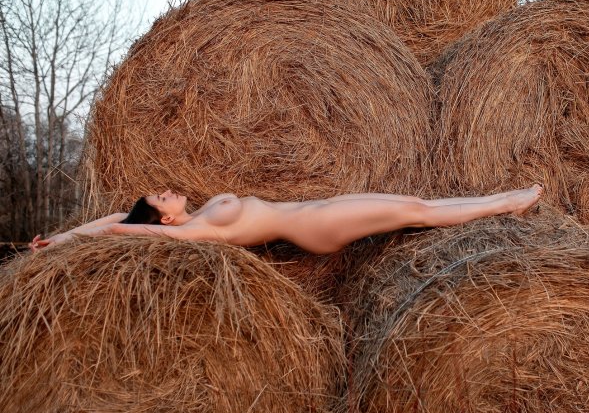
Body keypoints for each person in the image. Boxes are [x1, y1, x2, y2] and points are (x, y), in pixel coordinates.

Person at [29, 185, 543, 255]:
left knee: (414, 204)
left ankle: (503, 199)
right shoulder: (194, 231)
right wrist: (116, 233)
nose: (166, 190)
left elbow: (111, 217)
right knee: (416, 212)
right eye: (160, 197)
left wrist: (58, 237)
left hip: (313, 212)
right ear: (162, 221)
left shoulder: (199, 214)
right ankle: (508, 203)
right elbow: (122, 226)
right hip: (311, 227)